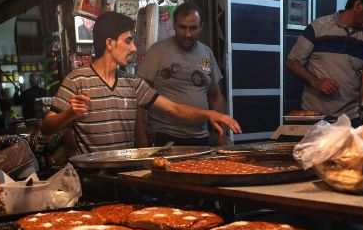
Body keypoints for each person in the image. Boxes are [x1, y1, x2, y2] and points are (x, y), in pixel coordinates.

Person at [42, 11, 241, 155]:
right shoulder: (77, 80)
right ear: (110, 43)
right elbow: (47, 128)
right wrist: (70, 114)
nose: (134, 48)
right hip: (92, 181)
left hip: (127, 177)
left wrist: (210, 114)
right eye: (128, 41)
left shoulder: (132, 83)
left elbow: (173, 108)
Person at [285, 0, 363, 125]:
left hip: (350, 120)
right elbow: (292, 62)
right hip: (315, 119)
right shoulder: (319, 27)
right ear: (357, 6)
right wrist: (316, 82)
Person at [135, 2, 228, 147]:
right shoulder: (157, 51)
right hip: (164, 136)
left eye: (193, 28)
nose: (187, 34)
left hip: (201, 138)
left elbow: (215, 96)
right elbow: (139, 97)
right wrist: (141, 138)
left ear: (201, 27)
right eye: (182, 27)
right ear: (174, 25)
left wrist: (222, 136)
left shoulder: (207, 53)